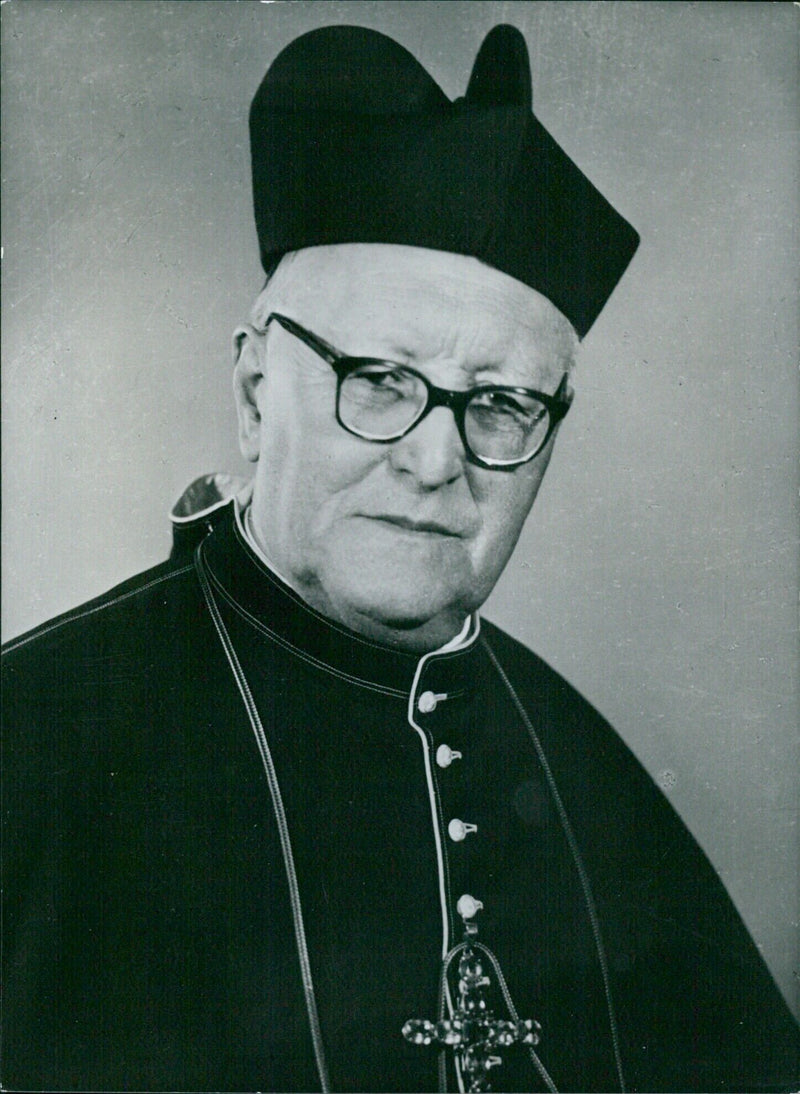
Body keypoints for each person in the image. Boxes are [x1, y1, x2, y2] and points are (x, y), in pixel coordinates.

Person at [2, 23, 798, 1094]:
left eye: (500, 403)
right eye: (377, 378)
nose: (434, 460)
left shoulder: (592, 776)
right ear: (254, 395)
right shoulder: (34, 731)